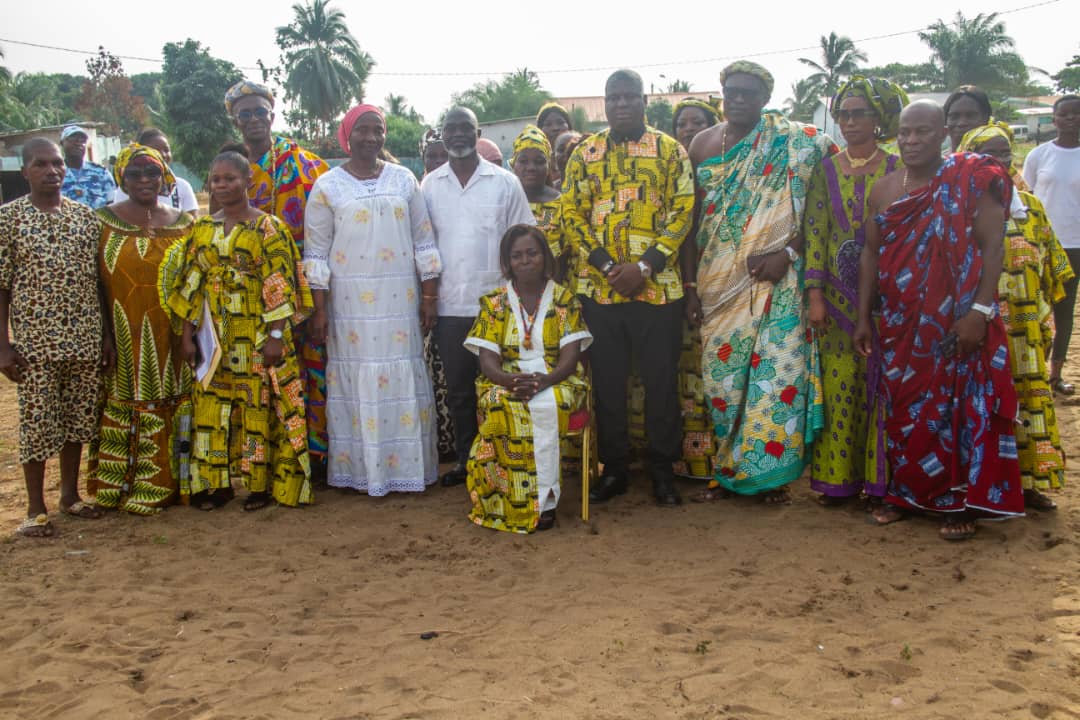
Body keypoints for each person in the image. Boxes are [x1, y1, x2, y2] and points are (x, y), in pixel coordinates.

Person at [853, 101, 1023, 541]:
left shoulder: (971, 181)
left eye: (922, 132)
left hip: (957, 322)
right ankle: (907, 493)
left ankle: (957, 501)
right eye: (904, 133)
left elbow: (992, 249)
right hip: (899, 319)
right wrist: (863, 316)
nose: (911, 141)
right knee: (905, 407)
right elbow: (870, 253)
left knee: (956, 407)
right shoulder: (883, 189)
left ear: (944, 133)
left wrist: (979, 313)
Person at [687, 60, 835, 504]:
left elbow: (820, 212)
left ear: (766, 99)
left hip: (778, 284)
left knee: (774, 382)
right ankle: (728, 472)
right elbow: (690, 223)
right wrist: (692, 288)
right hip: (717, 287)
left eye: (748, 92)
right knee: (723, 386)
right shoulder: (702, 144)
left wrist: (787, 254)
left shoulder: (799, 142)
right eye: (731, 90)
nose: (738, 99)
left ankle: (769, 480)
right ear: (721, 92)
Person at [562, 68, 694, 506]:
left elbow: (683, 212)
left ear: (644, 100)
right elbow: (572, 214)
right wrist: (605, 265)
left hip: (658, 290)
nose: (621, 104)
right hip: (600, 291)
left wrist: (645, 266)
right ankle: (614, 469)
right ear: (606, 102)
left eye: (629, 97)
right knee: (610, 383)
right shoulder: (586, 152)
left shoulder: (670, 151)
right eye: (613, 98)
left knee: (660, 382)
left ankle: (662, 471)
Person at [304, 105, 442, 495]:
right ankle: (361, 472)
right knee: (358, 376)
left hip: (399, 301)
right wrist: (319, 310)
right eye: (362, 130)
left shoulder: (404, 179)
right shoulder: (328, 187)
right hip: (349, 308)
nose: (370, 137)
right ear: (347, 135)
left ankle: (407, 470)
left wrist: (429, 297)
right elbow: (316, 253)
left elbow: (424, 241)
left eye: (377, 130)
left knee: (401, 373)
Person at [168, 150, 314, 511]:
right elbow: (190, 284)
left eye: (230, 178)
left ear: (248, 182)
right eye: (216, 179)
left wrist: (277, 337)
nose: (221, 185)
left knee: (256, 408)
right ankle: (215, 485)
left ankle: (258, 485)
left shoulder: (269, 227)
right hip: (212, 337)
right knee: (210, 409)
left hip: (257, 334)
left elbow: (280, 285)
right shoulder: (201, 229)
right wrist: (186, 336)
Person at [0, 138, 114, 536]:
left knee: (78, 421)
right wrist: (3, 346)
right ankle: (34, 509)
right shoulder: (9, 219)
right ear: (25, 171)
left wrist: (105, 337)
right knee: (36, 423)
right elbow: (2, 287)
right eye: (41, 164)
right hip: (35, 344)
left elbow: (99, 284)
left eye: (57, 165)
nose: (52, 171)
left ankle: (71, 496)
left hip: (84, 338)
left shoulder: (86, 218)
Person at [802, 76, 906, 514]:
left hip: (887, 298)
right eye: (843, 114)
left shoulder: (898, 168)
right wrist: (815, 295)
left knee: (882, 388)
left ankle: (881, 484)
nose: (848, 122)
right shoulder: (826, 170)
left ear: (879, 117)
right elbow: (815, 232)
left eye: (858, 113)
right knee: (840, 384)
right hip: (835, 299)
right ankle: (837, 482)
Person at [960, 122, 1073, 510]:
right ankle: (980, 490)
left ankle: (1030, 485)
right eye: (985, 153)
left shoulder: (1032, 209)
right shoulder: (957, 208)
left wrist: (1046, 323)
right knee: (982, 406)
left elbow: (1053, 270)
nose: (997, 161)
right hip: (977, 328)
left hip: (1025, 331)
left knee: (1027, 402)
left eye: (1004, 153)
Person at [421, 106, 535, 487]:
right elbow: (423, 248)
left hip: (497, 305)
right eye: (450, 128)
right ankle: (468, 461)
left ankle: (503, 458)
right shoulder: (429, 186)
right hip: (451, 306)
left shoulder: (505, 183)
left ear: (478, 131)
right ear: (441, 133)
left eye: (464, 128)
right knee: (459, 391)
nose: (457, 134)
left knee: (500, 385)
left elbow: (524, 243)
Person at [224, 80, 331, 472]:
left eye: (259, 112)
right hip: (251, 292)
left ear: (272, 114)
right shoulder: (231, 169)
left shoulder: (306, 164)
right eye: (244, 114)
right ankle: (269, 458)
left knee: (310, 366)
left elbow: (325, 233)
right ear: (235, 121)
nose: (253, 119)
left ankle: (315, 454)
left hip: (303, 287)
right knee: (262, 374)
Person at [88, 144, 196, 514]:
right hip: (123, 333)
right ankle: (126, 487)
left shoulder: (185, 223)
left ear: (165, 174)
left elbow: (196, 284)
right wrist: (104, 334)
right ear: (122, 177)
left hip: (176, 336)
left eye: (152, 172)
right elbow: (95, 286)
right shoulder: (102, 221)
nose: (145, 180)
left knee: (177, 397)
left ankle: (177, 484)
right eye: (135, 174)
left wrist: (191, 334)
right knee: (129, 396)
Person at [465, 224, 592, 533]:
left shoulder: (564, 299)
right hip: (506, 379)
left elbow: (571, 356)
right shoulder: (493, 302)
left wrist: (546, 380)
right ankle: (503, 500)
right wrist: (508, 381)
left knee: (549, 405)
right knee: (499, 405)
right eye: (517, 255)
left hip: (557, 378)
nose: (525, 260)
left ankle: (545, 502)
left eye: (532, 253)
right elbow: (487, 359)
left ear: (544, 256)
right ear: (507, 262)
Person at [1024, 95, 1080, 395]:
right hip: (1041, 245)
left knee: (1064, 311)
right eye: (1064, 114)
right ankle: (1033, 372)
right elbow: (1029, 196)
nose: (1070, 119)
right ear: (1054, 119)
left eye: (1076, 114)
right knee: (1035, 309)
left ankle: (1055, 375)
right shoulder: (1039, 155)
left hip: (1075, 247)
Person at [419, 128, 455, 462]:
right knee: (436, 374)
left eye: (442, 155)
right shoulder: (419, 192)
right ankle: (440, 443)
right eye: (431, 155)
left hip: (457, 295)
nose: (437, 161)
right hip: (428, 296)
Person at [113, 129, 200, 216]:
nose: (163, 155)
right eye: (155, 150)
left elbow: (193, 224)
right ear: (140, 153)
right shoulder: (126, 190)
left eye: (166, 150)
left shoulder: (182, 186)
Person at [511, 125, 564, 263]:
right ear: (513, 164)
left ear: (548, 166)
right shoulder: (506, 202)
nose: (531, 168)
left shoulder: (563, 205)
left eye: (539, 162)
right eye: (523, 161)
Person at [59, 125, 116, 210]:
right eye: (72, 139)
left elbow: (112, 204)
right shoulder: (56, 173)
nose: (78, 143)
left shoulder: (101, 173)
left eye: (82, 140)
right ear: (62, 143)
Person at [943, 85, 992, 152]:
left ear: (986, 119)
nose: (962, 123)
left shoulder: (1000, 159)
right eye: (954, 116)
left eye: (970, 116)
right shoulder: (936, 161)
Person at [537, 102, 574, 186]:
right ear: (539, 131)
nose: (555, 128)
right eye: (548, 124)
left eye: (560, 123)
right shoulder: (534, 162)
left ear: (569, 127)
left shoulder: (583, 155)